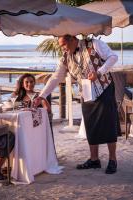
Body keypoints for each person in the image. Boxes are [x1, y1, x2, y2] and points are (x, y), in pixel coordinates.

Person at [34, 35, 120, 174]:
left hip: (104, 89)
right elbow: (56, 77)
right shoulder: (65, 57)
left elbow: (113, 57)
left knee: (108, 125)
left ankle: (112, 160)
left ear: (73, 39)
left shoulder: (95, 44)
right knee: (90, 125)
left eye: (63, 45)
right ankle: (94, 159)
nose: (62, 49)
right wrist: (42, 95)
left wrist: (99, 72)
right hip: (86, 93)